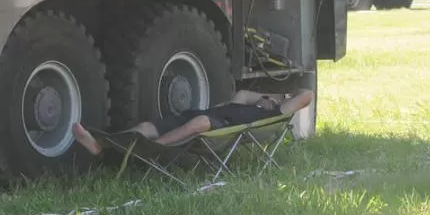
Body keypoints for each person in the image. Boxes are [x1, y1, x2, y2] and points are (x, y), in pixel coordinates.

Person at [72, 88, 314, 157]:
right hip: (200, 116)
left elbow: (306, 95)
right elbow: (244, 93)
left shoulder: (270, 115)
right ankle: (101, 145)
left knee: (201, 121)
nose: (268, 100)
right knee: (146, 127)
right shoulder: (243, 101)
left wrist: (280, 100)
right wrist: (264, 97)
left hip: (222, 128)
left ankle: (158, 148)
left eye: (277, 99)